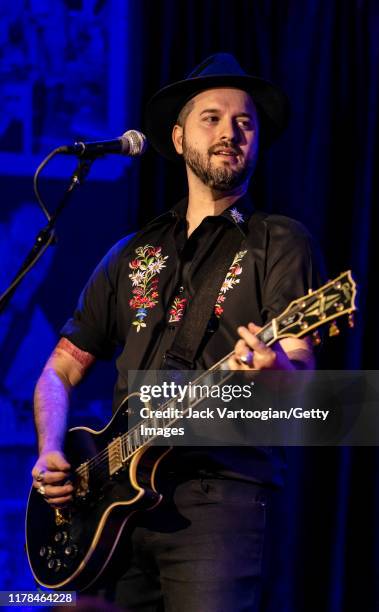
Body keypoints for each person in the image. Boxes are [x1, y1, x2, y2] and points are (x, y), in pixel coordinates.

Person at [31, 54, 323, 611]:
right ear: (177, 135)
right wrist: (49, 449)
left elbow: (301, 369)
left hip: (221, 500)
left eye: (245, 122)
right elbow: (58, 370)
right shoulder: (131, 253)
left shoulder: (280, 242)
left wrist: (276, 372)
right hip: (114, 515)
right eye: (211, 118)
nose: (230, 132)